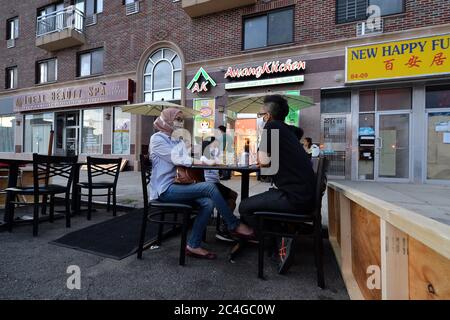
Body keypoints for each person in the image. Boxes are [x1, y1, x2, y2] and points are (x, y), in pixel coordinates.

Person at [149, 108, 254, 259]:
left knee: (208, 203)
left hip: (178, 186)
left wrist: (207, 160)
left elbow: (188, 157)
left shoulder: (176, 139)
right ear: (167, 120)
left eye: (181, 119)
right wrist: (206, 161)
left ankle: (193, 245)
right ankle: (233, 224)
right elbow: (179, 159)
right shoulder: (157, 139)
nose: (180, 122)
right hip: (165, 190)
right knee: (210, 187)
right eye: (177, 119)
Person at [239, 95, 316, 271]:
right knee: (257, 203)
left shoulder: (272, 126)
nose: (260, 118)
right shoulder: (287, 130)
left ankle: (277, 239)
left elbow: (263, 161)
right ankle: (280, 237)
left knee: (244, 207)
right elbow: (298, 132)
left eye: (260, 115)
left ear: (267, 116)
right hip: (304, 195)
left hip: (293, 197)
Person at [201, 137, 238, 242]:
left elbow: (223, 162)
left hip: (216, 184)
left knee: (232, 201)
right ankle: (225, 228)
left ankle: (225, 226)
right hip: (210, 185)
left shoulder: (214, 156)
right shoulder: (204, 157)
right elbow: (213, 163)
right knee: (233, 197)